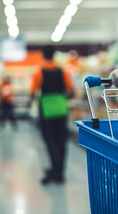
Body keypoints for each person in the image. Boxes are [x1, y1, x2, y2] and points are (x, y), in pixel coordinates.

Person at [29, 45, 74, 184]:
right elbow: (71, 91)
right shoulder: (63, 72)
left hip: (46, 109)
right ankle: (60, 172)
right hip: (61, 108)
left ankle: (54, 171)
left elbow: (32, 92)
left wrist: (32, 101)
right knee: (61, 140)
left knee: (50, 139)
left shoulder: (39, 72)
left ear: (43, 55)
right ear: (54, 55)